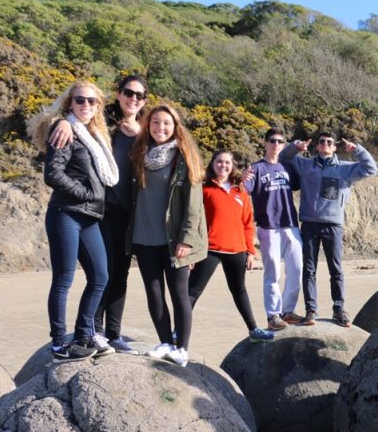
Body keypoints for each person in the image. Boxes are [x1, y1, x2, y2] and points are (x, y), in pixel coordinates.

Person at [47, 76, 148, 353]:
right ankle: (79, 336)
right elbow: (54, 171)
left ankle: (101, 333)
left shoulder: (135, 132)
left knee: (112, 275)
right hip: (91, 211)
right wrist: (64, 121)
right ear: (118, 94)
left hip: (122, 212)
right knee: (78, 276)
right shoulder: (97, 126)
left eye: (139, 95)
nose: (133, 99)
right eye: (128, 92)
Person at [31, 80, 118, 360]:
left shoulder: (94, 136)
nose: (86, 105)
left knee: (100, 277)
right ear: (70, 102)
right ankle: (58, 344)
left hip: (89, 217)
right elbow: (52, 174)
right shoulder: (64, 128)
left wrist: (90, 198)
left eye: (92, 101)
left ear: (98, 106)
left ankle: (84, 333)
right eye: (80, 100)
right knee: (64, 279)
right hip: (65, 214)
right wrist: (86, 193)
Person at [129, 104, 207, 366]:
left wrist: (187, 239)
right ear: (147, 125)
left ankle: (181, 349)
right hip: (143, 237)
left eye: (166, 123)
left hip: (175, 241)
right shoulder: (139, 154)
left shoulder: (184, 157)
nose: (160, 128)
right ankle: (165, 342)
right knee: (154, 294)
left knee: (179, 294)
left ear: (175, 127)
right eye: (155, 122)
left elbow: (194, 205)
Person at [283, 130, 378, 327]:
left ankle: (338, 309)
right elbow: (284, 157)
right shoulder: (305, 164)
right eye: (321, 142)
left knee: (336, 269)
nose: (325, 144)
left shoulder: (345, 169)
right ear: (317, 146)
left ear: (334, 147)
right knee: (309, 269)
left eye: (329, 142)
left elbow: (371, 168)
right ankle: (311, 310)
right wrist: (296, 146)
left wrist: (357, 150)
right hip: (309, 224)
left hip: (333, 224)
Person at [188, 150, 275, 342]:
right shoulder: (203, 189)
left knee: (239, 290)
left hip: (237, 250)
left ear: (232, 166)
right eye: (219, 161)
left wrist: (250, 252)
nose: (223, 165)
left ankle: (253, 329)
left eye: (227, 163)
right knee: (192, 292)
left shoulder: (240, 191)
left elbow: (247, 223)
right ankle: (177, 331)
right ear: (212, 164)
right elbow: (193, 221)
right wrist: (191, 251)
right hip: (209, 249)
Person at [244, 127, 303, 330]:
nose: (275, 144)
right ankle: (273, 315)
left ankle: (287, 311)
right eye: (272, 140)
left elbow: (303, 183)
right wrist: (243, 177)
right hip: (269, 226)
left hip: (291, 224)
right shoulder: (256, 168)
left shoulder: (288, 168)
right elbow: (244, 189)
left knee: (296, 270)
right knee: (273, 273)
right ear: (265, 143)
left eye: (279, 141)